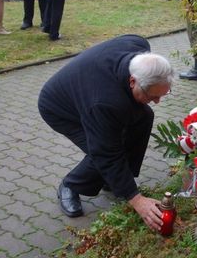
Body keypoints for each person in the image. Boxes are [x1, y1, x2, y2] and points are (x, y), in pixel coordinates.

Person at [38, 35, 174, 232]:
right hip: (60, 108)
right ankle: (70, 185)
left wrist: (123, 181)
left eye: (162, 94)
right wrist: (135, 199)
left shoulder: (137, 46)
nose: (157, 101)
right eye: (151, 95)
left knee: (144, 116)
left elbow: (133, 38)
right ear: (132, 81)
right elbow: (107, 152)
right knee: (101, 153)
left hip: (88, 90)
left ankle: (116, 181)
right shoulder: (105, 103)